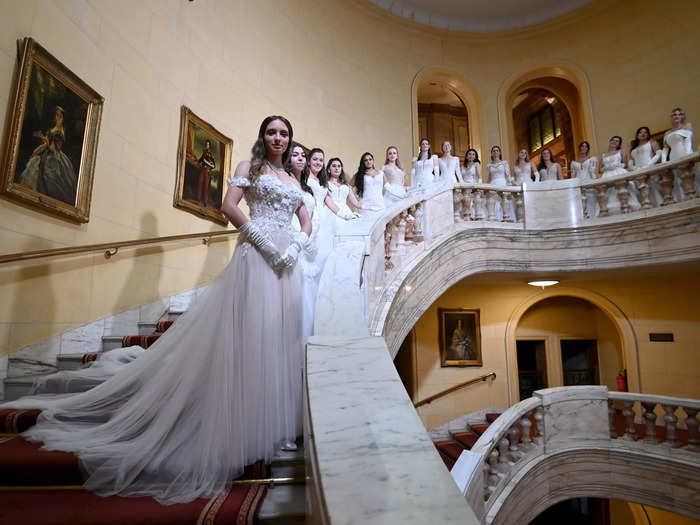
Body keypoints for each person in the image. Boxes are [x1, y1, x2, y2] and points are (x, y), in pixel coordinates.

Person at [2, 116, 312, 505]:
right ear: (262, 136)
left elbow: (305, 218)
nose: (278, 138)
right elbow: (229, 205)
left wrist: (298, 245)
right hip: (257, 257)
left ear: (290, 138)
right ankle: (242, 429)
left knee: (278, 342)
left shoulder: (294, 179)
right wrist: (264, 242)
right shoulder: (250, 168)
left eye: (283, 133)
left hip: (287, 265)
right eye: (271, 132)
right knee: (248, 342)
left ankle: (277, 430)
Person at [287, 143, 322, 347]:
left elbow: (312, 216)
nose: (300, 158)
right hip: (291, 240)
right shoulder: (285, 181)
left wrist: (310, 237)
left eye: (303, 155)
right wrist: (297, 239)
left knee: (308, 293)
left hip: (308, 238)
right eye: (295, 155)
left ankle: (306, 344)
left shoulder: (308, 187)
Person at [662, 107, 698, 200]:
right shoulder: (667, 133)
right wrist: (663, 162)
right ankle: (681, 198)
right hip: (673, 156)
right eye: (674, 114)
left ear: (682, 116)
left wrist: (687, 155)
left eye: (679, 114)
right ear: (671, 117)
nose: (677, 116)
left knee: (689, 175)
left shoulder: (687, 126)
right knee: (677, 178)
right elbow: (665, 149)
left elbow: (688, 141)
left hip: (685, 153)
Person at [599, 135, 641, 214]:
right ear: (609, 142)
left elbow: (625, 164)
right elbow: (600, 169)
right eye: (613, 140)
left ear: (619, 144)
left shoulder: (621, 151)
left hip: (618, 172)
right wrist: (607, 168)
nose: (614, 142)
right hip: (607, 174)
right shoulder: (603, 155)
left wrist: (616, 166)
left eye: (617, 141)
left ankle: (626, 206)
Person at [629, 126, 662, 206]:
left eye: (645, 132)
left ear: (648, 134)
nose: (643, 134)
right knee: (640, 189)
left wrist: (649, 165)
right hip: (638, 171)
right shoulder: (633, 148)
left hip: (649, 168)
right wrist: (634, 168)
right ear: (637, 135)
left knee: (653, 189)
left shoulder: (652, 142)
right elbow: (630, 161)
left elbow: (659, 154)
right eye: (640, 132)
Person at [327, 157, 362, 222]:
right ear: (329, 169)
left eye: (339, 166)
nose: (337, 168)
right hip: (331, 210)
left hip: (346, 210)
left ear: (341, 169)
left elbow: (356, 203)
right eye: (334, 166)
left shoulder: (346, 186)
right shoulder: (325, 184)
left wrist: (369, 207)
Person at [570, 141, 599, 217]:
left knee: (591, 200)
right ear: (580, 148)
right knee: (580, 202)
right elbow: (573, 175)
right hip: (578, 182)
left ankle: (592, 217)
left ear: (588, 149)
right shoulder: (573, 162)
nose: (584, 148)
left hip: (589, 181)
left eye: (586, 146)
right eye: (582, 146)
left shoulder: (592, 159)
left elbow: (593, 172)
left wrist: (595, 182)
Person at [485, 145, 513, 220]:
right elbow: (488, 178)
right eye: (494, 151)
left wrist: (509, 185)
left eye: (497, 151)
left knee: (504, 201)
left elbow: (508, 175)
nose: (495, 152)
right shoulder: (489, 165)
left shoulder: (504, 163)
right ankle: (496, 218)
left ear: (500, 153)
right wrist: (486, 188)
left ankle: (505, 218)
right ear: (491, 153)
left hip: (503, 183)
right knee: (494, 203)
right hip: (493, 184)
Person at [197, 139, 216, 207]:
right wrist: (197, 162)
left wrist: (207, 163)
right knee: (200, 183)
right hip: (202, 170)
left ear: (209, 146)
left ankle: (205, 201)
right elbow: (201, 160)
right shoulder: (204, 152)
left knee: (206, 186)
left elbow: (214, 165)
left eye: (208, 145)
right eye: (206, 144)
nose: (207, 146)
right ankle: (198, 199)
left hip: (207, 171)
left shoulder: (211, 155)